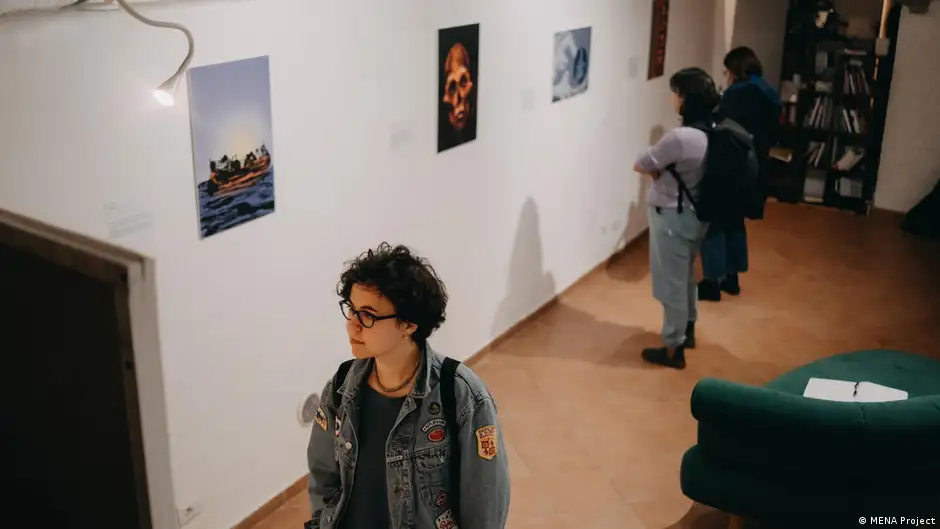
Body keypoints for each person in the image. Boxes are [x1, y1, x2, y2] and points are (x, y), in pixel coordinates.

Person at [305, 243, 510, 529]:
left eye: (367, 315)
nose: (353, 325)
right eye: (351, 309)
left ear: (409, 324)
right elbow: (322, 477)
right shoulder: (341, 387)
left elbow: (485, 510)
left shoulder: (462, 396)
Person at [633, 67, 719, 369]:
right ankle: (688, 329)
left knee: (670, 283)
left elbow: (641, 164)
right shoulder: (713, 131)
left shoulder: (681, 138)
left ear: (686, 98)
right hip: (697, 216)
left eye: (676, 93)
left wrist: (657, 168)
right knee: (685, 278)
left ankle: (673, 347)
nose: (673, 98)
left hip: (671, 217)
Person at [698, 46, 781, 301]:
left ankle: (712, 282)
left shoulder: (739, 94)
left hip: (732, 163)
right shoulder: (768, 92)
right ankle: (732, 278)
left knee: (713, 221)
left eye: (727, 70)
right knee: (734, 220)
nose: (726, 74)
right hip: (756, 166)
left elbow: (721, 122)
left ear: (736, 69)